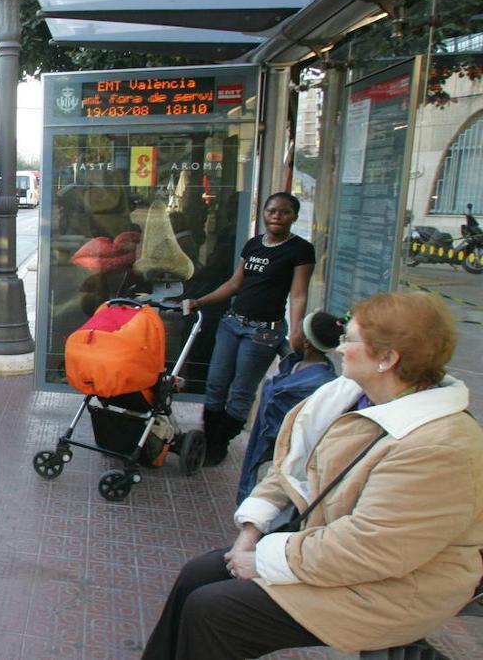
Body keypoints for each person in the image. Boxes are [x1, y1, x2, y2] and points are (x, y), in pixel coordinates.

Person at [141, 290, 483, 660]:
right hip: (331, 555)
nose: (337, 349)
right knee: (199, 574)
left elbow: (371, 549)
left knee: (215, 610)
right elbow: (288, 469)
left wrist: (264, 560)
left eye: (349, 340)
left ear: (387, 358)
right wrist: (251, 534)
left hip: (393, 589)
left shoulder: (440, 446)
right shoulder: (345, 397)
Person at [183, 192, 314, 465]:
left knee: (241, 391)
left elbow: (299, 294)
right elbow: (234, 284)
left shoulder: (300, 250)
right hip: (232, 324)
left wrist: (298, 329)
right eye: (272, 211)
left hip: (263, 332)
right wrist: (201, 301)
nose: (277, 216)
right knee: (216, 383)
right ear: (264, 213)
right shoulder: (254, 244)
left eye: (284, 212)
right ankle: (208, 438)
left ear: (294, 217)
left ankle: (219, 445)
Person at [235, 310, 344, 503]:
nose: (292, 333)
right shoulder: (293, 366)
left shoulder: (315, 385)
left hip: (278, 460)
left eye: (297, 329)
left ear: (306, 342)